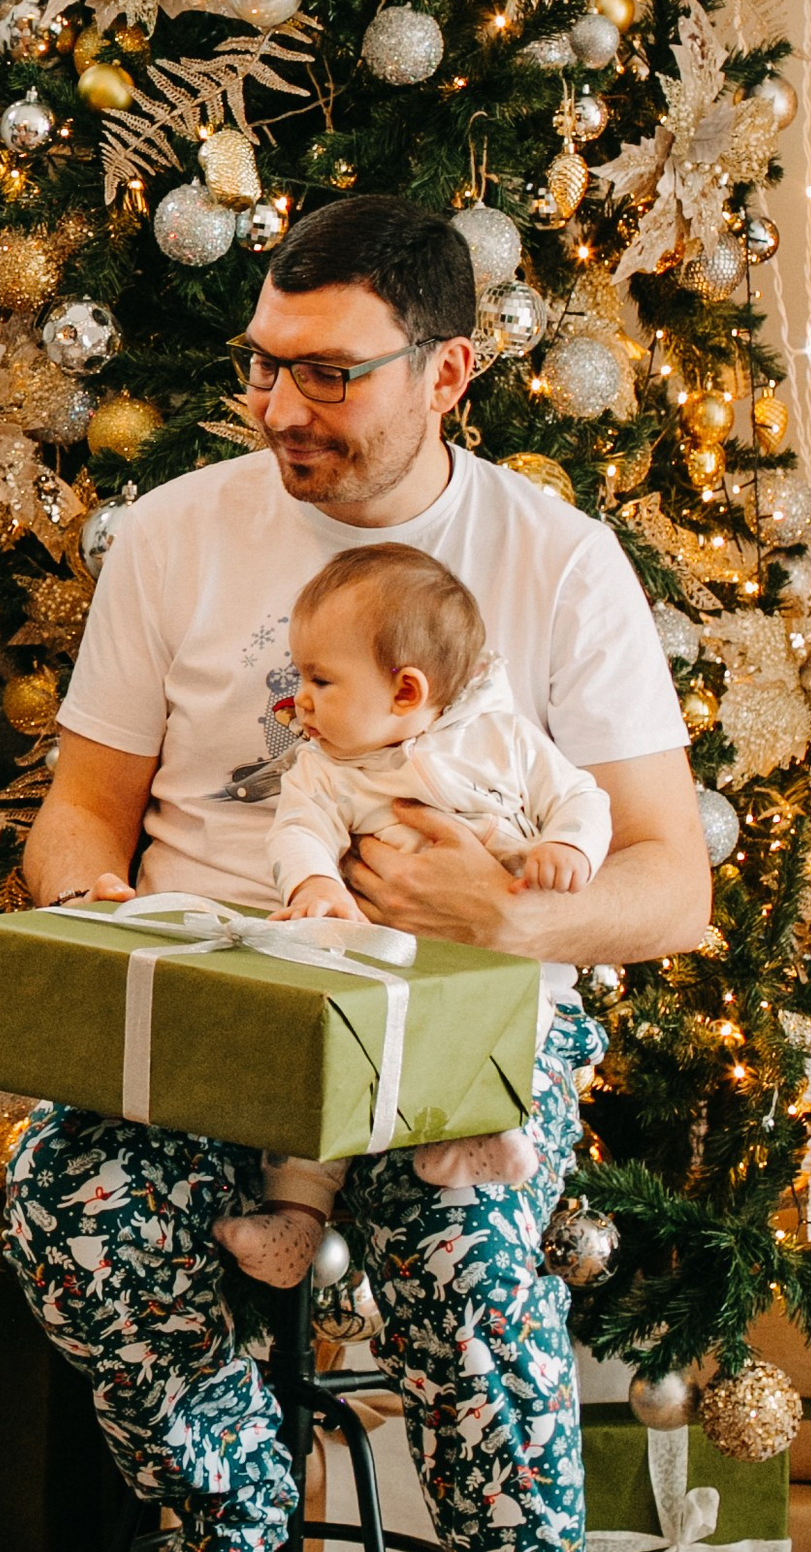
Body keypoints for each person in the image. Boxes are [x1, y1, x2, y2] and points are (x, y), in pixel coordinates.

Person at [1, 192, 708, 1552]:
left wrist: (503, 913)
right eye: (262, 364)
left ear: (447, 370)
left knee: (483, 1324)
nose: (280, 408)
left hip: (457, 1024)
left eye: (327, 374)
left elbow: (669, 885)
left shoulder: (557, 565)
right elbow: (83, 808)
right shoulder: (173, 537)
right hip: (223, 1007)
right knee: (59, 1202)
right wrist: (92, 910)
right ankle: (228, 1491)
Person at [215, 545, 615, 1290]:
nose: (298, 700)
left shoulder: (503, 741)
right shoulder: (327, 767)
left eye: (321, 680)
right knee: (327, 1080)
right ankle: (295, 1221)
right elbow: (298, 830)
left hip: (499, 972)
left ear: (406, 691)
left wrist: (568, 846)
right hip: (384, 976)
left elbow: (584, 799)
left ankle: (491, 1135)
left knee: (500, 1029)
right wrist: (314, 885)